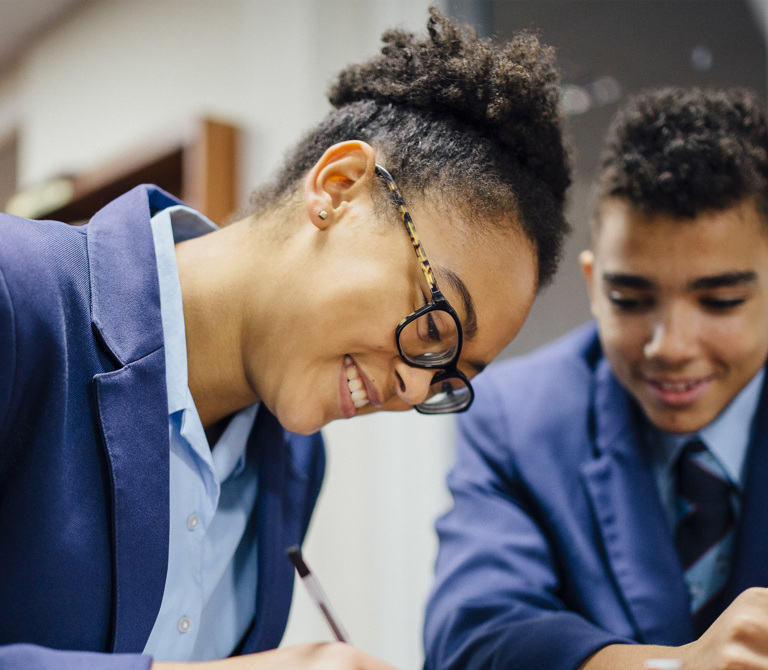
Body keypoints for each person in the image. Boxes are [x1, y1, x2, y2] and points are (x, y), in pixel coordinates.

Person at [0, 8, 571, 670]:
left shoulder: (296, 462)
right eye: (436, 327)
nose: (413, 387)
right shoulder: (18, 292)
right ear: (340, 188)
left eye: (449, 378)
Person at [423, 85, 768, 670]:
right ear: (592, 284)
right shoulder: (514, 418)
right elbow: (475, 639)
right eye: (630, 299)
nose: (669, 348)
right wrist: (676, 669)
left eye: (720, 301)